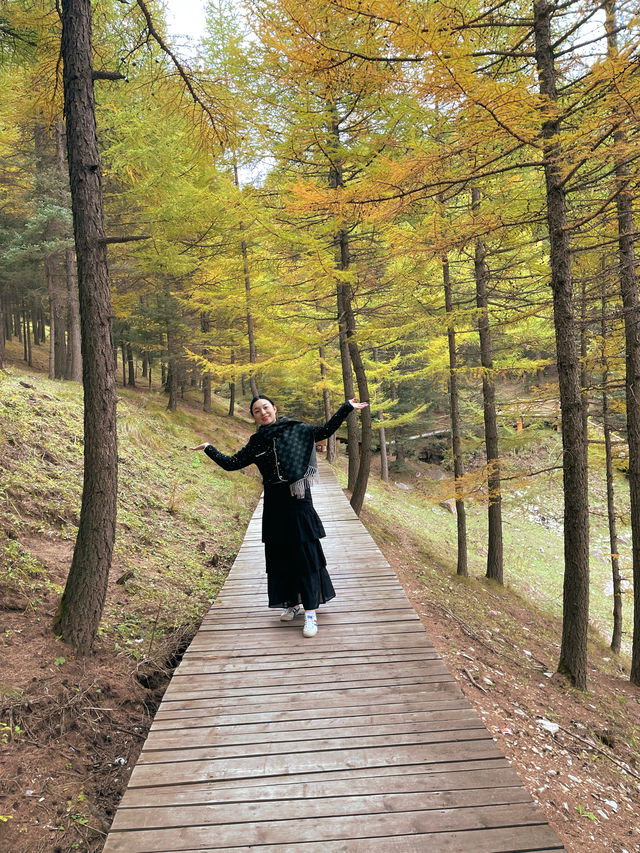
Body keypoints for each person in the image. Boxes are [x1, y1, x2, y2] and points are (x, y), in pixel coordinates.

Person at [191, 395, 369, 637]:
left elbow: (327, 430)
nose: (263, 412)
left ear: (274, 409)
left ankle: (310, 613)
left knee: (305, 557)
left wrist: (347, 407)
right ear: (254, 417)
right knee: (280, 557)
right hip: (274, 505)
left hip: (298, 501)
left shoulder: (297, 429)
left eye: (266, 407)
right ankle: (292, 605)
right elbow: (232, 463)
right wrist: (209, 448)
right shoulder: (257, 441)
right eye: (257, 411)